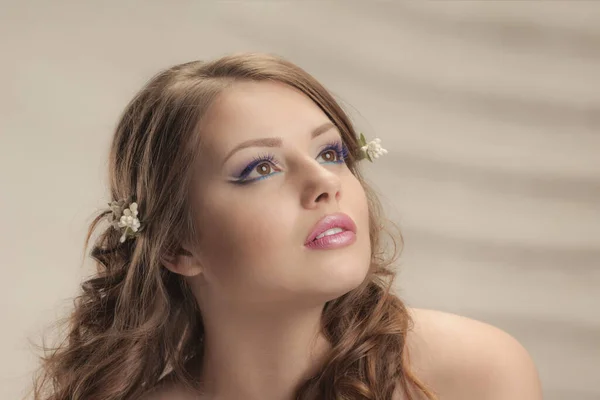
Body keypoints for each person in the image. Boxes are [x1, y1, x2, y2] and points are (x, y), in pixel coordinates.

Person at [30, 52, 542, 400]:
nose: (324, 181)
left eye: (330, 152)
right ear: (177, 245)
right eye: (260, 168)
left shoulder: (474, 373)